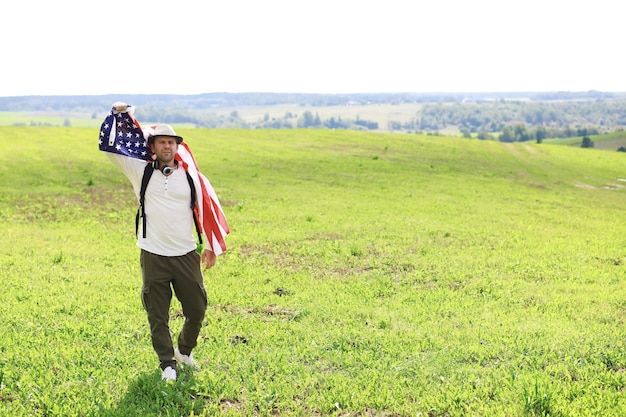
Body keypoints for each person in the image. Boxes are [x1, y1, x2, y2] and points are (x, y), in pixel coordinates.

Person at [98, 102, 229, 381]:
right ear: (153, 146)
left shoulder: (192, 178)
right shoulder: (140, 171)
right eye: (162, 142)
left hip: (185, 254)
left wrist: (210, 246)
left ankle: (184, 351)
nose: (167, 147)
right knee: (157, 314)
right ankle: (167, 364)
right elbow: (110, 148)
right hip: (153, 254)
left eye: (172, 142)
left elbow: (204, 210)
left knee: (197, 309)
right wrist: (118, 114)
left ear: (178, 147)